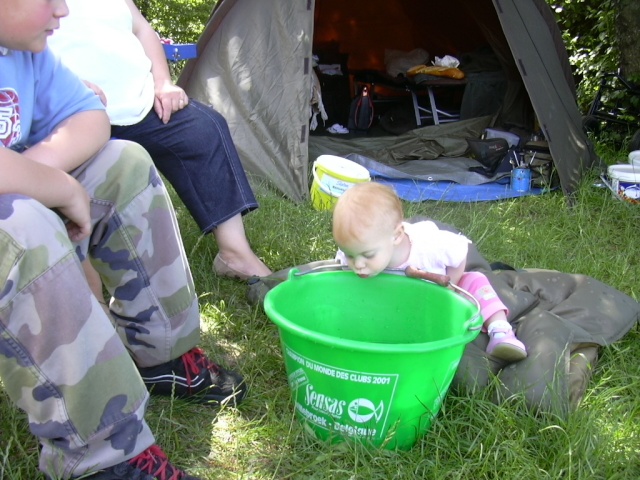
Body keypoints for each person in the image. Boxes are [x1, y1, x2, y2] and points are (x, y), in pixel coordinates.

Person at [0, 1, 245, 478]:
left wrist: (37, 176)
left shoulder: (23, 50)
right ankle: (103, 457)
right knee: (22, 222)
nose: (64, 8)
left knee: (123, 163)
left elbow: (90, 117)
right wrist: (56, 189)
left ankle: (164, 355)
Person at [47, 0, 271, 281]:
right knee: (91, 170)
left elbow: (143, 30)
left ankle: (235, 254)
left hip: (138, 102)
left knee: (203, 129)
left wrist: (163, 82)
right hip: (74, 113)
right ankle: (83, 273)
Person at [332, 182, 527, 362]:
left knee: (476, 281)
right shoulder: (356, 251)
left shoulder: (430, 248)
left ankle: (501, 331)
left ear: (396, 236)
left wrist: (451, 290)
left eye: (367, 255)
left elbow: (459, 253)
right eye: (350, 255)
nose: (357, 264)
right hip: (395, 306)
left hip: (433, 295)